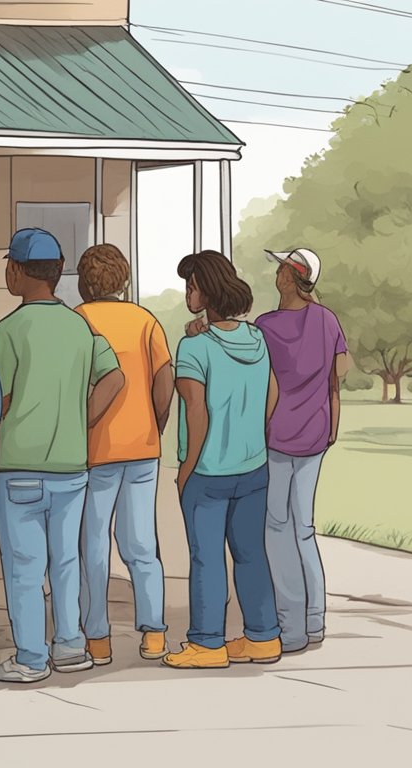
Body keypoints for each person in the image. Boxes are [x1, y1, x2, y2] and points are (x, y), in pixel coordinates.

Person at [0, 228, 124, 684]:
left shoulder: (8, 331)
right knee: (66, 561)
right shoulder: (79, 326)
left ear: (19, 272)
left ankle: (29, 657)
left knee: (25, 566)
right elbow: (114, 378)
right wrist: (80, 419)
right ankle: (70, 646)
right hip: (72, 467)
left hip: (19, 466)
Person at [164, 250, 282, 669]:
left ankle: (207, 643)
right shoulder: (256, 339)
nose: (187, 292)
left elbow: (196, 413)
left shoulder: (193, 347)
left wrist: (185, 469)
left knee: (207, 558)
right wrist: (250, 434)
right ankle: (263, 638)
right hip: (253, 466)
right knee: (251, 553)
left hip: (209, 471)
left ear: (208, 291)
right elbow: (272, 394)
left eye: (191, 285)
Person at [73, 244, 173, 666]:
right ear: (124, 280)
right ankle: (153, 632)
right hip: (142, 448)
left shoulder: (78, 321)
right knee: (141, 544)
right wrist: (155, 423)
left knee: (92, 546)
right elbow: (165, 379)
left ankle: (97, 637)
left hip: (93, 450)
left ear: (83, 282)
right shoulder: (145, 321)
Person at [255, 248, 348, 654]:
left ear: (290, 278)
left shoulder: (265, 326)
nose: (276, 274)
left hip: (277, 437)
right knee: (304, 528)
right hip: (315, 436)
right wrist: (332, 427)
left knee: (277, 528)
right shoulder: (328, 320)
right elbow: (338, 375)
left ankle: (291, 629)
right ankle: (315, 620)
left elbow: (265, 386)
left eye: (281, 269)